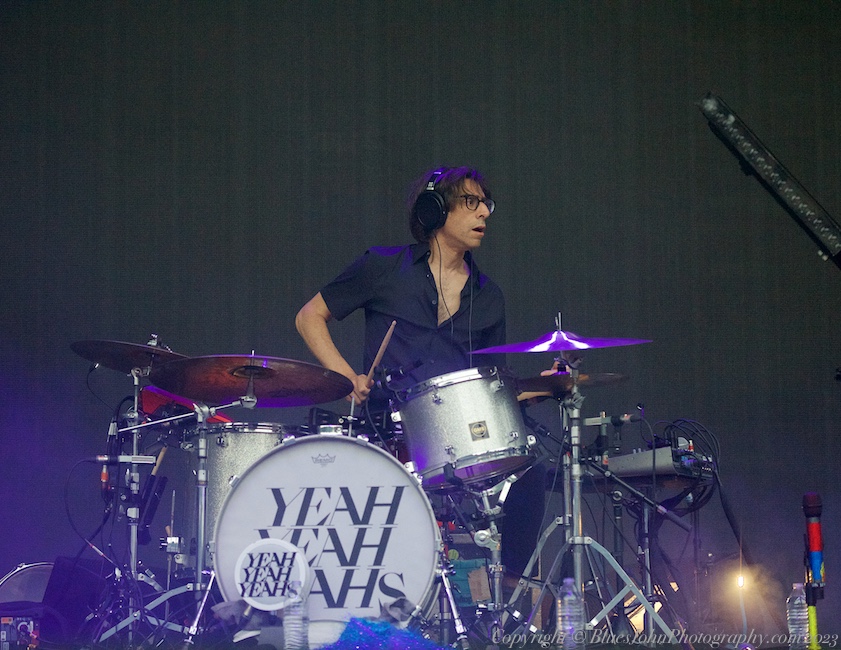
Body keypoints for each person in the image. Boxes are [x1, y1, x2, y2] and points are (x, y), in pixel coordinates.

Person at [295, 165, 506, 406]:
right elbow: (309, 316)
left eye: (485, 203)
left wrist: (552, 386)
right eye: (471, 201)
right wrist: (347, 378)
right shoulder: (383, 267)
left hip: (455, 436)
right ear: (434, 208)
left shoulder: (489, 296)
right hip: (385, 434)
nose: (484, 212)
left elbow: (494, 387)